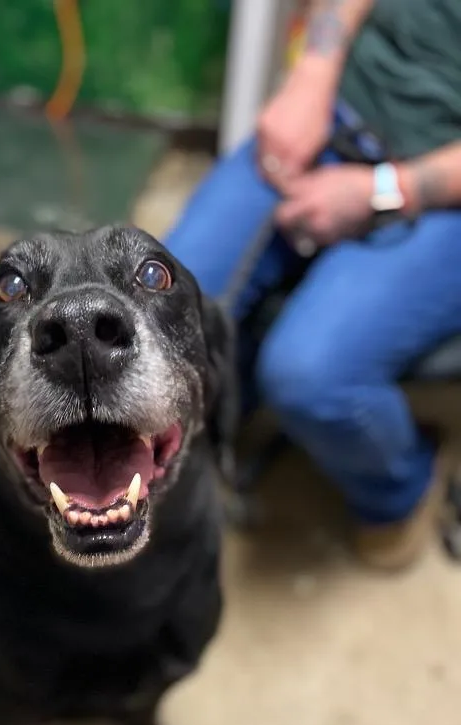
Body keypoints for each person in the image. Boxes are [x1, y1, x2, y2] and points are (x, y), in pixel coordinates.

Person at [165, 0, 461, 570]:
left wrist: (384, 192)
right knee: (166, 312)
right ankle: (228, 409)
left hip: (443, 193)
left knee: (308, 374)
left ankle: (399, 490)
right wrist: (311, 75)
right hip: (343, 106)